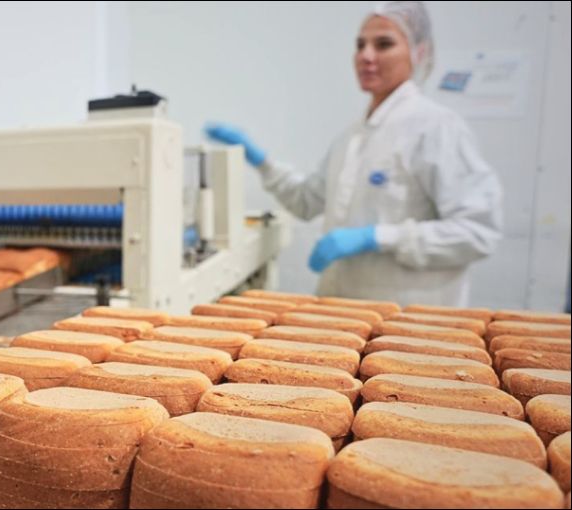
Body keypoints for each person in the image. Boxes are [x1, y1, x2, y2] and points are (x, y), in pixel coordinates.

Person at [205, 1, 502, 306]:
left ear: (418, 53)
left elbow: (477, 232)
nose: (366, 56)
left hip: (409, 320)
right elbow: (307, 201)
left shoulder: (437, 128)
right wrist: (261, 160)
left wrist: (377, 237)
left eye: (383, 44)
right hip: (345, 312)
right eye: (360, 45)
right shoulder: (353, 138)